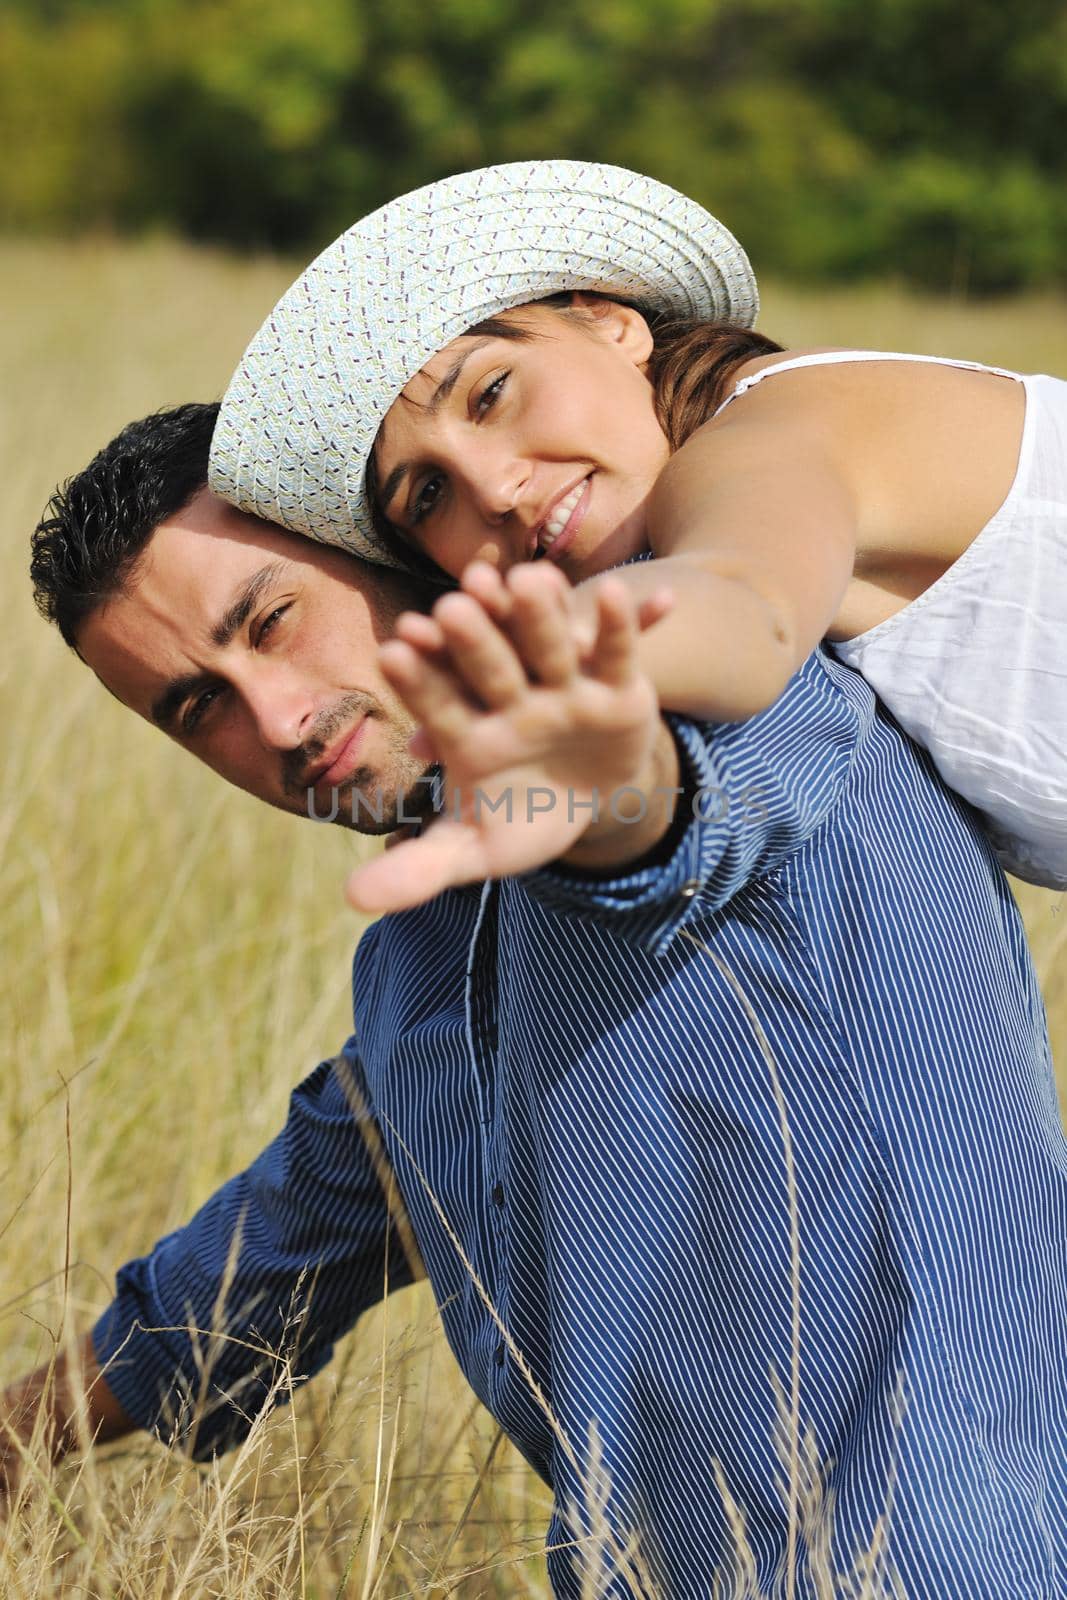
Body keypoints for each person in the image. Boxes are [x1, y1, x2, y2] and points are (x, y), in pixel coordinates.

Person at [11, 398, 1067, 1597]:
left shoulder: (736, 706)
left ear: (395, 556)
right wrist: (14, 1443)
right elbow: (277, 1244)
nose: (281, 719)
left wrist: (604, 784)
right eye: (198, 707)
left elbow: (664, 815)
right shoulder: (421, 958)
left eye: (273, 621)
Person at [209, 159, 1067, 893]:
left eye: (492, 393)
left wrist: (568, 653)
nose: (494, 488)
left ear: (612, 324)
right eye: (428, 497)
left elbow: (740, 602)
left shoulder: (767, 439)